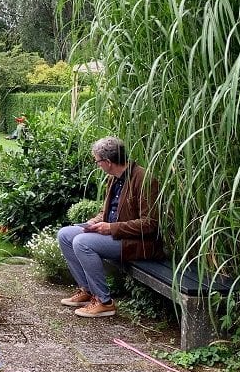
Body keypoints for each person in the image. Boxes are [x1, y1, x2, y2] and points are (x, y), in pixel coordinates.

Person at [56, 136, 163, 318]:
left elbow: (150, 224)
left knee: (82, 242)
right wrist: (93, 222)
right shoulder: (114, 178)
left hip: (137, 243)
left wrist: (111, 228)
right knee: (65, 234)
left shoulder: (143, 179)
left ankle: (104, 302)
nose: (97, 165)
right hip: (115, 235)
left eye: (97, 161)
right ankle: (88, 291)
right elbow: (107, 211)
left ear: (108, 161)